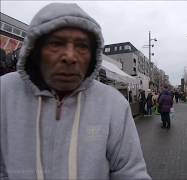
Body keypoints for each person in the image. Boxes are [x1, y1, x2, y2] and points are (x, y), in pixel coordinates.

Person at [0, 3, 150, 180]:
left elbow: (131, 173)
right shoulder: (4, 94)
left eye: (82, 46)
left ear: (93, 55)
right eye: (56, 43)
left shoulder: (113, 104)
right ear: (36, 50)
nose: (70, 56)